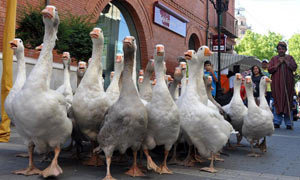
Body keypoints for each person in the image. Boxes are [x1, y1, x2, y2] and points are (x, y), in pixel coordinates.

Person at [268, 41, 297, 130]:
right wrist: (278, 63)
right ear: (277, 50)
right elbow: (270, 69)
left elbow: (294, 67)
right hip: (277, 86)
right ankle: (277, 122)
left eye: (283, 49)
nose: (281, 50)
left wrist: (286, 62)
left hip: (288, 85)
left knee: (288, 101)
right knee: (277, 101)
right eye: (279, 49)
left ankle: (289, 123)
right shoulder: (274, 59)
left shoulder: (290, 57)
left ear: (285, 50)